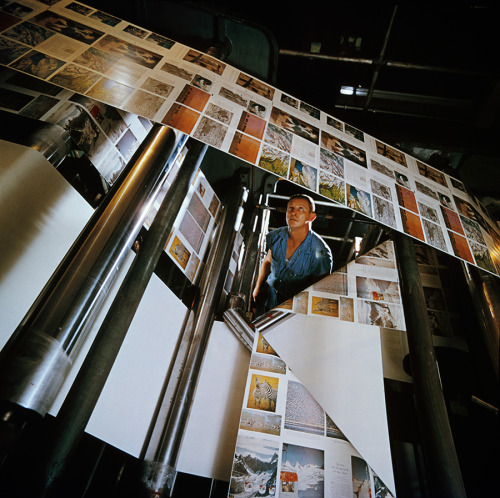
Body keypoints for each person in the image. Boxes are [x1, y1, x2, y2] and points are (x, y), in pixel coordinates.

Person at [253, 194, 333, 312]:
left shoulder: (320, 253)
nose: (293, 213)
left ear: (311, 217)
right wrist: (258, 287)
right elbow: (268, 261)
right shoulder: (276, 236)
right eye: (291, 208)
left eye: (301, 209)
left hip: (292, 308)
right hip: (268, 295)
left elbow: (320, 290)